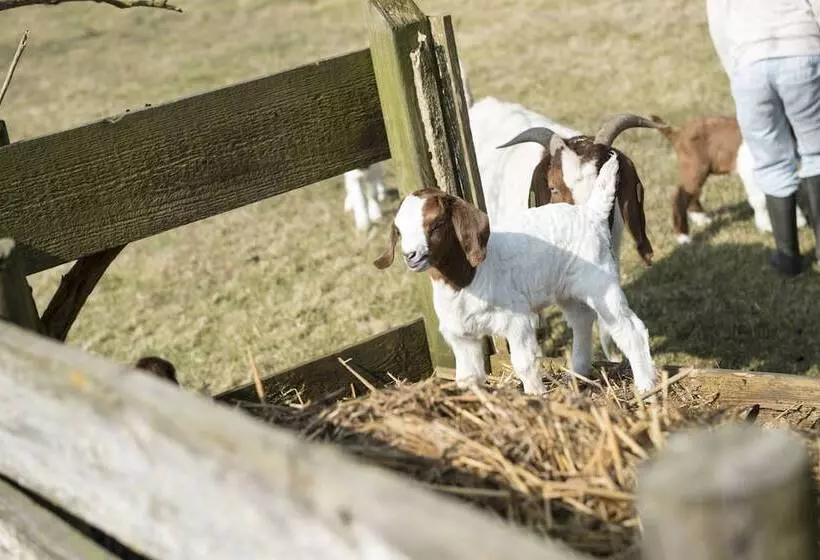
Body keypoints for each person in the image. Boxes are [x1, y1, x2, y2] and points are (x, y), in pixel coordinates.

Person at [706, 0, 820, 276]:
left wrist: (736, 73)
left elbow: (718, 25)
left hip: (749, 64)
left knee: (770, 161)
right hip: (802, 51)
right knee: (816, 153)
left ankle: (787, 257)